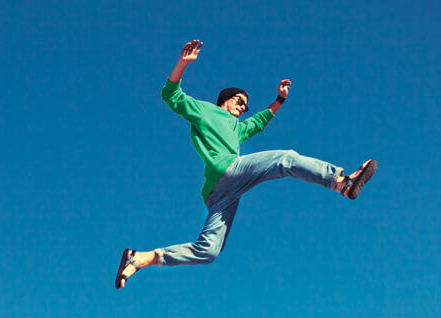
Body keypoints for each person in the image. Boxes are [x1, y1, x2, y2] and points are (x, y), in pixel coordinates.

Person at [115, 39, 376, 288]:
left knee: (209, 251)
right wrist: (184, 63)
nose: (243, 107)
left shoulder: (237, 129)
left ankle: (139, 258)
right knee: (285, 159)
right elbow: (171, 94)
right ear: (225, 99)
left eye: (246, 106)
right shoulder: (205, 110)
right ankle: (341, 182)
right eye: (239, 101)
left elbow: (259, 122)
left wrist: (279, 100)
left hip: (217, 195)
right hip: (227, 170)